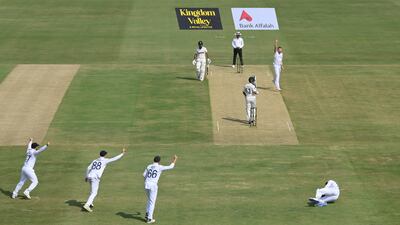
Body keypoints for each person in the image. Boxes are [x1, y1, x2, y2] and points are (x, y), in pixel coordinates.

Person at [83, 147, 126, 212]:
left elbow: (88, 168)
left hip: (90, 176)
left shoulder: (95, 160)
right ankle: (87, 205)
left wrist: (86, 176)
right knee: (94, 193)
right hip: (95, 178)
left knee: (92, 191)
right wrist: (122, 153)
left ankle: (90, 203)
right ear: (105, 155)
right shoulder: (105, 160)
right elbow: (114, 158)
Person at [143, 155, 178, 223]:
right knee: (152, 202)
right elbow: (171, 166)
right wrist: (175, 159)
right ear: (159, 161)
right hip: (153, 186)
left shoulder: (149, 166)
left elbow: (144, 175)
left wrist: (147, 181)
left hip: (146, 184)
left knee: (149, 200)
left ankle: (147, 214)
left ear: (154, 160)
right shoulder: (159, 167)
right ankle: (149, 219)